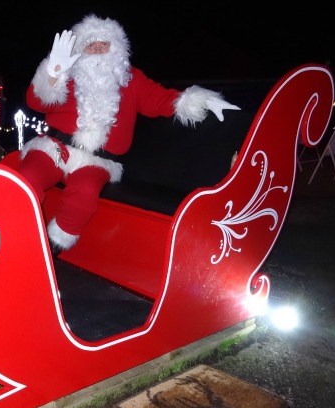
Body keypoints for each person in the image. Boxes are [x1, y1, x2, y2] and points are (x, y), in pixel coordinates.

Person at [18, 14, 240, 254]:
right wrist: (54, 71)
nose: (98, 49)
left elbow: (162, 100)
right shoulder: (67, 76)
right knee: (28, 177)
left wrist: (203, 101)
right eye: (90, 44)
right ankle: (12, 230)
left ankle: (49, 249)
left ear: (117, 48)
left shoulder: (132, 80)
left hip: (96, 161)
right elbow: (36, 102)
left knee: (85, 192)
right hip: (53, 148)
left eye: (104, 44)